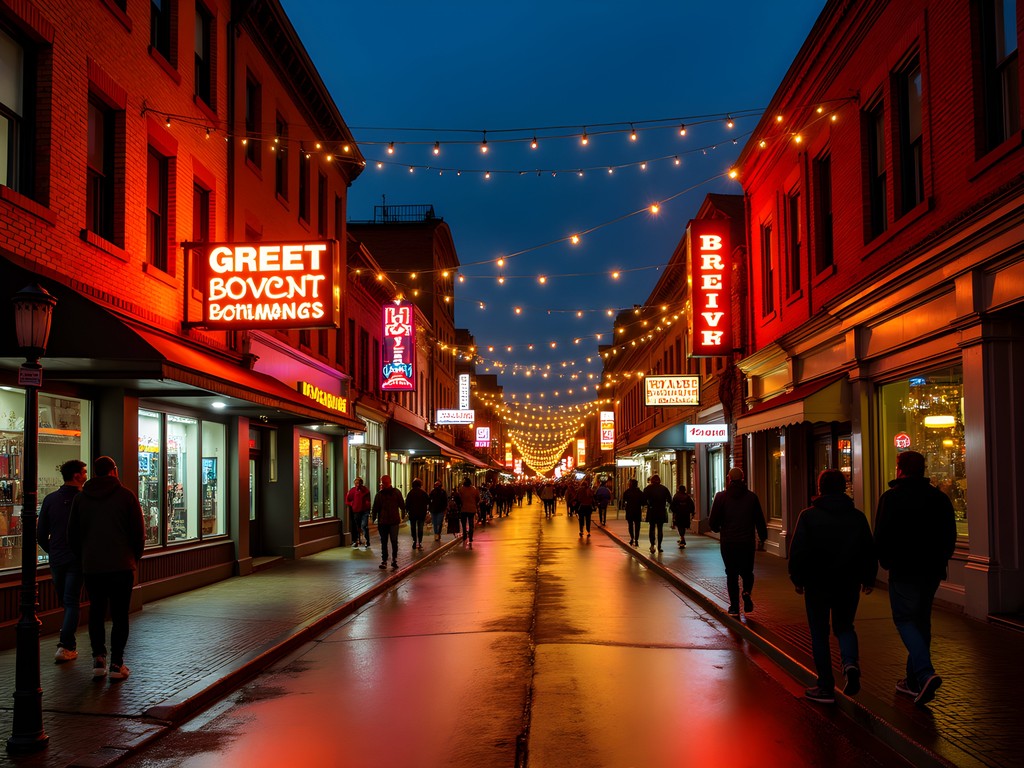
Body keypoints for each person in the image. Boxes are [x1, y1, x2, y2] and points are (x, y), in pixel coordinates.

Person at [874, 450, 957, 706]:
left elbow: (881, 535)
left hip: (903, 568)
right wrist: (941, 558)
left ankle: (924, 673)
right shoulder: (939, 498)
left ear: (900, 469)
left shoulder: (891, 498)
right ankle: (913, 681)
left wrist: (885, 561)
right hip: (931, 569)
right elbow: (949, 534)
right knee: (921, 621)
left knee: (905, 619)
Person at [789, 470, 878, 705]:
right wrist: (869, 578)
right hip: (848, 582)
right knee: (845, 626)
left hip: (817, 583)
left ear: (820, 488)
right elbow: (868, 549)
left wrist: (797, 579)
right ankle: (849, 663)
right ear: (843, 488)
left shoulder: (808, 516)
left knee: (819, 633)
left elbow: (798, 551)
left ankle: (825, 686)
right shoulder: (857, 517)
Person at [67, 456, 145, 681]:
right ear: (114, 471)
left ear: (95, 473)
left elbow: (72, 535)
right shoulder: (126, 496)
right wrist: (132, 558)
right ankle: (116, 664)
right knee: (120, 615)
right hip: (121, 566)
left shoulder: (81, 498)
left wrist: (85, 557)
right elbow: (138, 534)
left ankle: (98, 658)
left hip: (93, 567)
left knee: (96, 612)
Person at [38, 459, 88, 663]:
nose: (86, 475)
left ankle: (66, 643)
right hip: (77, 557)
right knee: (71, 601)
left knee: (66, 601)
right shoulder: (84, 500)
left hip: (57, 558)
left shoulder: (50, 499)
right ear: (77, 476)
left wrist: (52, 551)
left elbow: (41, 534)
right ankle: (66, 645)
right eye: (84, 472)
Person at [708, 466, 768, 616]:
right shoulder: (752, 497)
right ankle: (746, 592)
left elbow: (712, 522)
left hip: (728, 543)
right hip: (747, 542)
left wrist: (717, 528)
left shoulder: (721, 497)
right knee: (747, 572)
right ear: (743, 478)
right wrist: (763, 537)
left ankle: (734, 607)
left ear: (729, 479)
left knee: (731, 574)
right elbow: (759, 520)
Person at [371, 475, 405, 570]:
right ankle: (385, 560)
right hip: (383, 521)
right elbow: (375, 507)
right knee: (384, 541)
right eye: (383, 482)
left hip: (393, 521)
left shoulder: (395, 492)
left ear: (389, 482)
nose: (384, 484)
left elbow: (402, 504)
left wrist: (403, 514)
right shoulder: (380, 494)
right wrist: (373, 518)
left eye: (385, 482)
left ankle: (393, 559)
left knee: (393, 540)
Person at [642, 475, 672, 553]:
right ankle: (659, 546)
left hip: (652, 510)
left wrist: (647, 504)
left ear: (651, 480)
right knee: (660, 528)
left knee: (652, 528)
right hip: (661, 510)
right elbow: (670, 500)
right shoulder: (664, 489)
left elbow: (643, 500)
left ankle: (652, 545)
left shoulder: (648, 489)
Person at [345, 477, 371, 548]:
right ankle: (356, 540)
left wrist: (368, 507)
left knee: (364, 525)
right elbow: (347, 500)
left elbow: (368, 501)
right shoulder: (352, 491)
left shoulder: (366, 491)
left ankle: (366, 540)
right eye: (356, 483)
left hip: (364, 511)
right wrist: (352, 504)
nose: (357, 485)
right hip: (356, 511)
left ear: (361, 483)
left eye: (359, 483)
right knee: (356, 526)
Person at [405, 478, 429, 550]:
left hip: (412, 513)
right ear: (420, 485)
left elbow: (407, 503)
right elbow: (428, 501)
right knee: (420, 528)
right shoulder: (423, 493)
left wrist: (407, 511)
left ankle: (414, 541)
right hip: (421, 513)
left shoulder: (410, 493)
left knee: (413, 528)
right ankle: (420, 542)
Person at [621, 478, 645, 546]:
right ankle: (636, 539)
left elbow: (624, 501)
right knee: (637, 525)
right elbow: (643, 502)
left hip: (629, 510)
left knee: (630, 525)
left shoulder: (627, 492)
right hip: (637, 510)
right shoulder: (640, 492)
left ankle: (632, 538)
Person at [456, 477, 480, 545]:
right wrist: (474, 503)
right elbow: (478, 498)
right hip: (472, 509)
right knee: (471, 523)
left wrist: (461, 504)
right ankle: (470, 537)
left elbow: (458, 499)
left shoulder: (461, 489)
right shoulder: (474, 489)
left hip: (463, 509)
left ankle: (464, 536)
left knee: (464, 523)